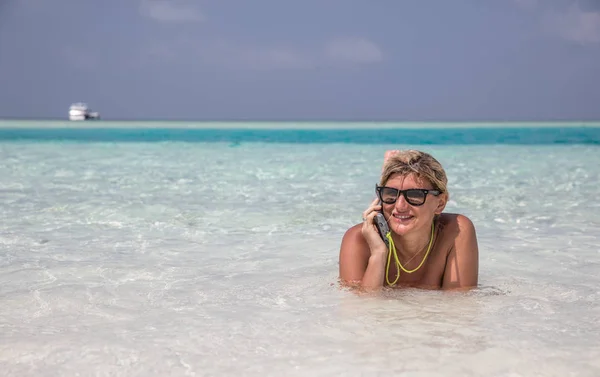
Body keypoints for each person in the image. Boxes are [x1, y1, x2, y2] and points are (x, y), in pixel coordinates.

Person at [338, 149, 479, 291]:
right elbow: (360, 309)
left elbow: (460, 306)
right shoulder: (358, 239)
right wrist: (378, 254)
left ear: (440, 203)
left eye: (415, 195)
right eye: (390, 194)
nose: (400, 206)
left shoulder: (456, 231)